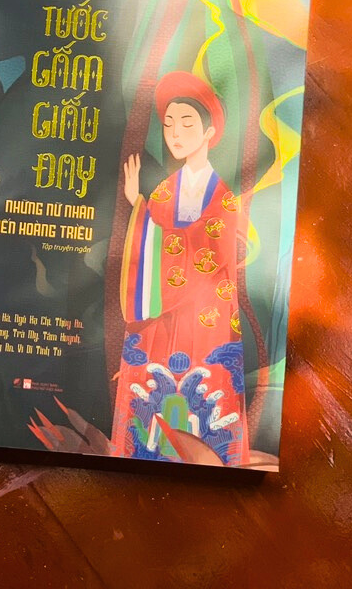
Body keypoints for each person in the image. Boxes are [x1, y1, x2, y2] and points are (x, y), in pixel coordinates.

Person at [112, 71, 252, 466]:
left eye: (187, 123)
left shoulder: (224, 198)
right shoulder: (163, 192)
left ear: (209, 132)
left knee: (206, 399)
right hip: (163, 319)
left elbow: (213, 251)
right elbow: (151, 249)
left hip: (206, 317)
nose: (175, 133)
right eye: (169, 123)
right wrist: (140, 207)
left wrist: (144, 213)